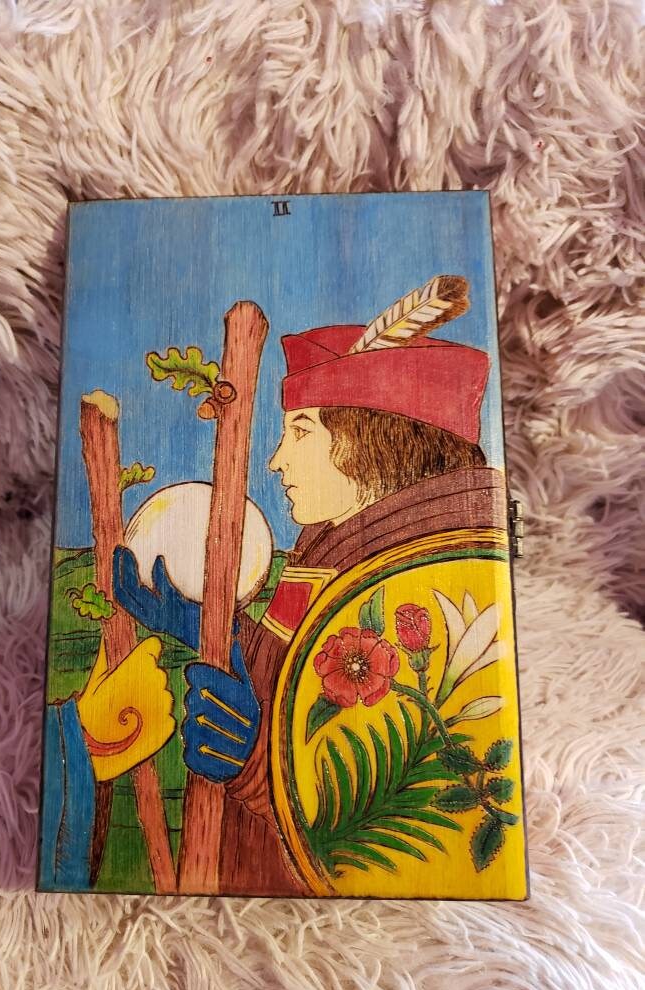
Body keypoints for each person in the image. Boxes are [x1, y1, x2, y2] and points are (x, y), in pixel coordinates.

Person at [114, 315, 508, 895]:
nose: (276, 461)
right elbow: (297, 665)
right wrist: (213, 629)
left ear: (372, 439)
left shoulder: (425, 573)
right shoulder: (336, 545)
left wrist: (256, 767)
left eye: (300, 433)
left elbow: (408, 822)